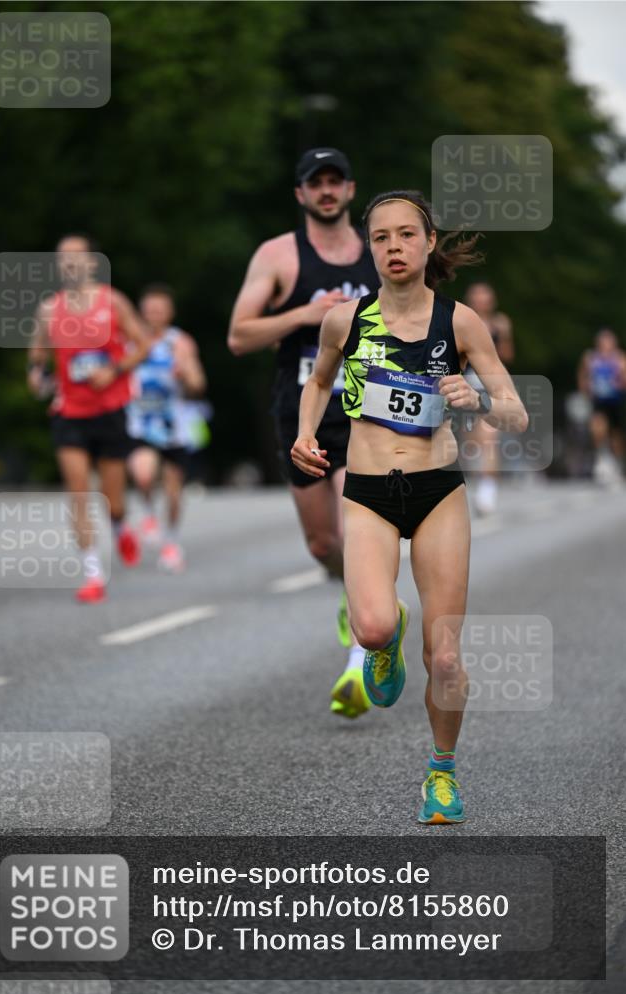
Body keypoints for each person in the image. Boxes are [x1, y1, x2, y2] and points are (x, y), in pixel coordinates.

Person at [291, 191, 528, 823]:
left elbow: (517, 410)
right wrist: (305, 434)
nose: (394, 247)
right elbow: (318, 382)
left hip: (436, 490)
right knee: (371, 628)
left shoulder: (460, 324)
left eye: (406, 235)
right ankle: (382, 639)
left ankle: (442, 774)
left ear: (428, 245)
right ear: (369, 249)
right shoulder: (345, 319)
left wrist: (474, 396)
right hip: (368, 492)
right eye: (380, 238)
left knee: (445, 655)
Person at [228, 148, 380, 718]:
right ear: (300, 194)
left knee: (356, 526)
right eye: (315, 183)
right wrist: (304, 315)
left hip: (370, 410)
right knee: (324, 544)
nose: (326, 190)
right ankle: (354, 593)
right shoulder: (278, 256)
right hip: (303, 412)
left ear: (350, 189)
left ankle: (358, 660)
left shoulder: (377, 254)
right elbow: (239, 337)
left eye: (335, 181)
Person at [27, 234, 149, 603]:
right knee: (78, 492)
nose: (69, 264)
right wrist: (36, 377)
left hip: (110, 411)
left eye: (76, 258)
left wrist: (113, 370)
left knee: (113, 499)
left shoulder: (113, 302)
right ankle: (93, 574)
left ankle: (120, 525)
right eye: (63, 258)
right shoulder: (50, 310)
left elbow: (143, 345)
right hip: (70, 413)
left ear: (92, 262)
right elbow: (37, 358)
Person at [127, 284, 209, 570]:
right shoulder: (130, 342)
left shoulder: (180, 343)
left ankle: (171, 542)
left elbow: (199, 384)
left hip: (174, 424)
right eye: (149, 309)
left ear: (169, 313)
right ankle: (149, 515)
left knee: (173, 490)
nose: (154, 315)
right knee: (143, 475)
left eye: (159, 310)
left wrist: (185, 373)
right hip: (141, 423)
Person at [463, 283, 515, 514]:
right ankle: (479, 483)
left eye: (485, 297)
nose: (481, 301)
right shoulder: (461, 322)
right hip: (465, 387)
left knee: (490, 437)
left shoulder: (499, 323)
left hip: (490, 385)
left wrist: (502, 334)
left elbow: (507, 356)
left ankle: (487, 489)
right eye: (477, 297)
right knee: (472, 443)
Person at [577, 327, 626, 485]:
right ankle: (601, 456)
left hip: (615, 400)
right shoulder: (590, 357)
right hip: (598, 400)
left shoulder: (619, 358)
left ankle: (617, 463)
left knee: (616, 434)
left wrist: (619, 381)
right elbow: (582, 375)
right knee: (597, 427)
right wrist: (585, 391)